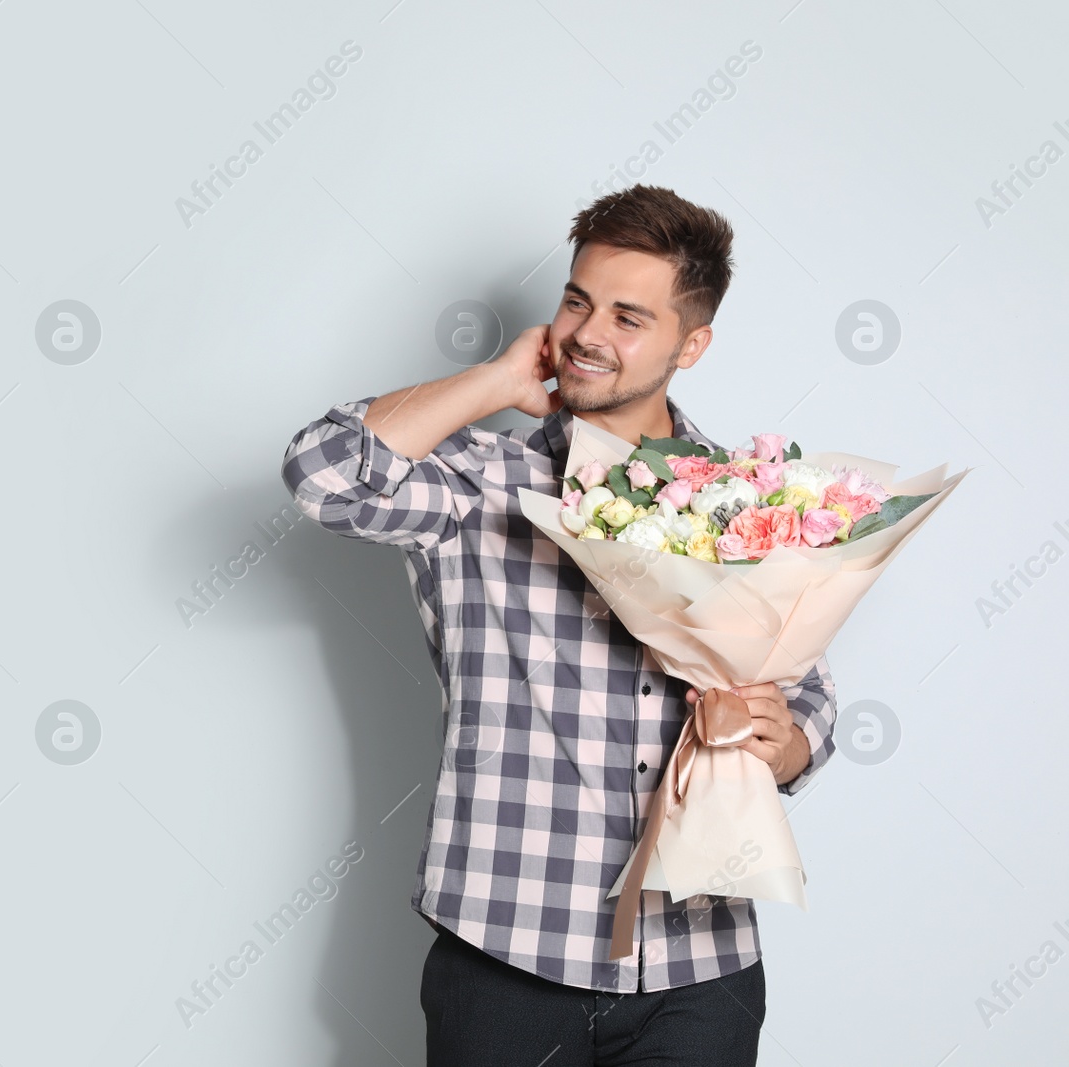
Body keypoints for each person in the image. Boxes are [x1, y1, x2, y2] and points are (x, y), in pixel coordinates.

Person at [278, 184, 838, 1066]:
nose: (587, 333)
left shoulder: (747, 502)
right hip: (508, 956)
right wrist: (496, 383)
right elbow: (323, 474)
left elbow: (807, 691)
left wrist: (790, 739)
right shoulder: (475, 483)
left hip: (701, 967)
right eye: (577, 300)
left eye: (628, 316)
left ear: (692, 344)